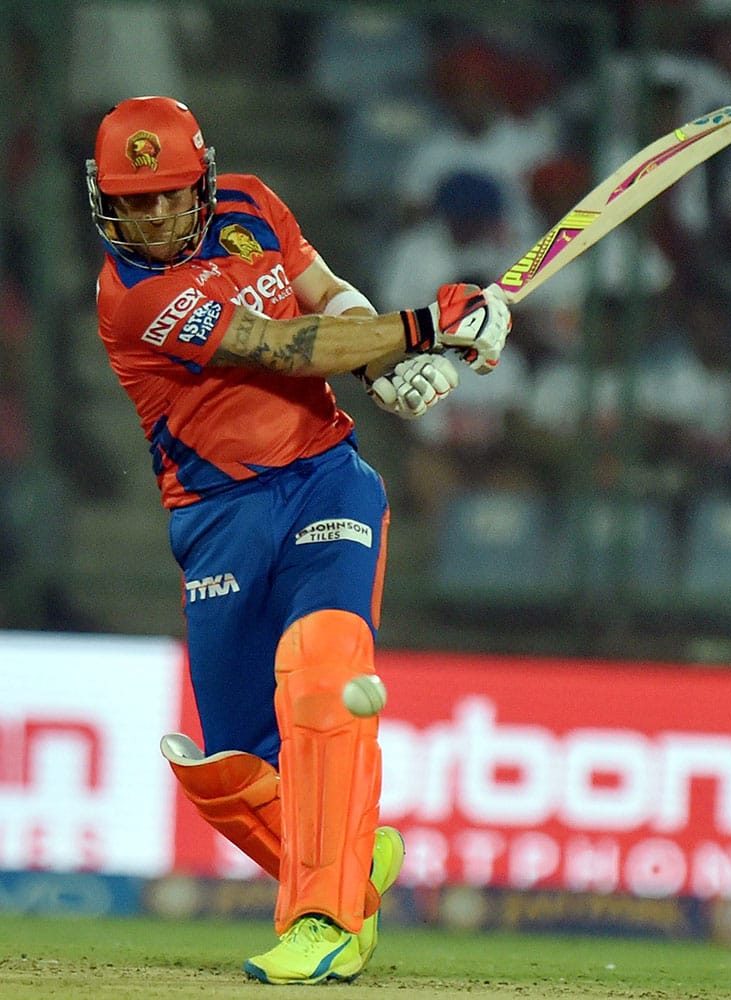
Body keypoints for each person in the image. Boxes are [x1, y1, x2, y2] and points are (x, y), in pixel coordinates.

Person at [84, 96, 511, 985]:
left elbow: (325, 299)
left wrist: (386, 363)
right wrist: (426, 326)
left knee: (320, 674)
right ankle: (352, 862)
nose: (154, 215)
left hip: (324, 479)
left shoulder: (250, 205)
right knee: (229, 767)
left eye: (168, 193)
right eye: (135, 200)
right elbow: (278, 345)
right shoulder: (133, 298)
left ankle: (320, 919)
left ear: (200, 181)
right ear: (106, 203)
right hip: (216, 521)